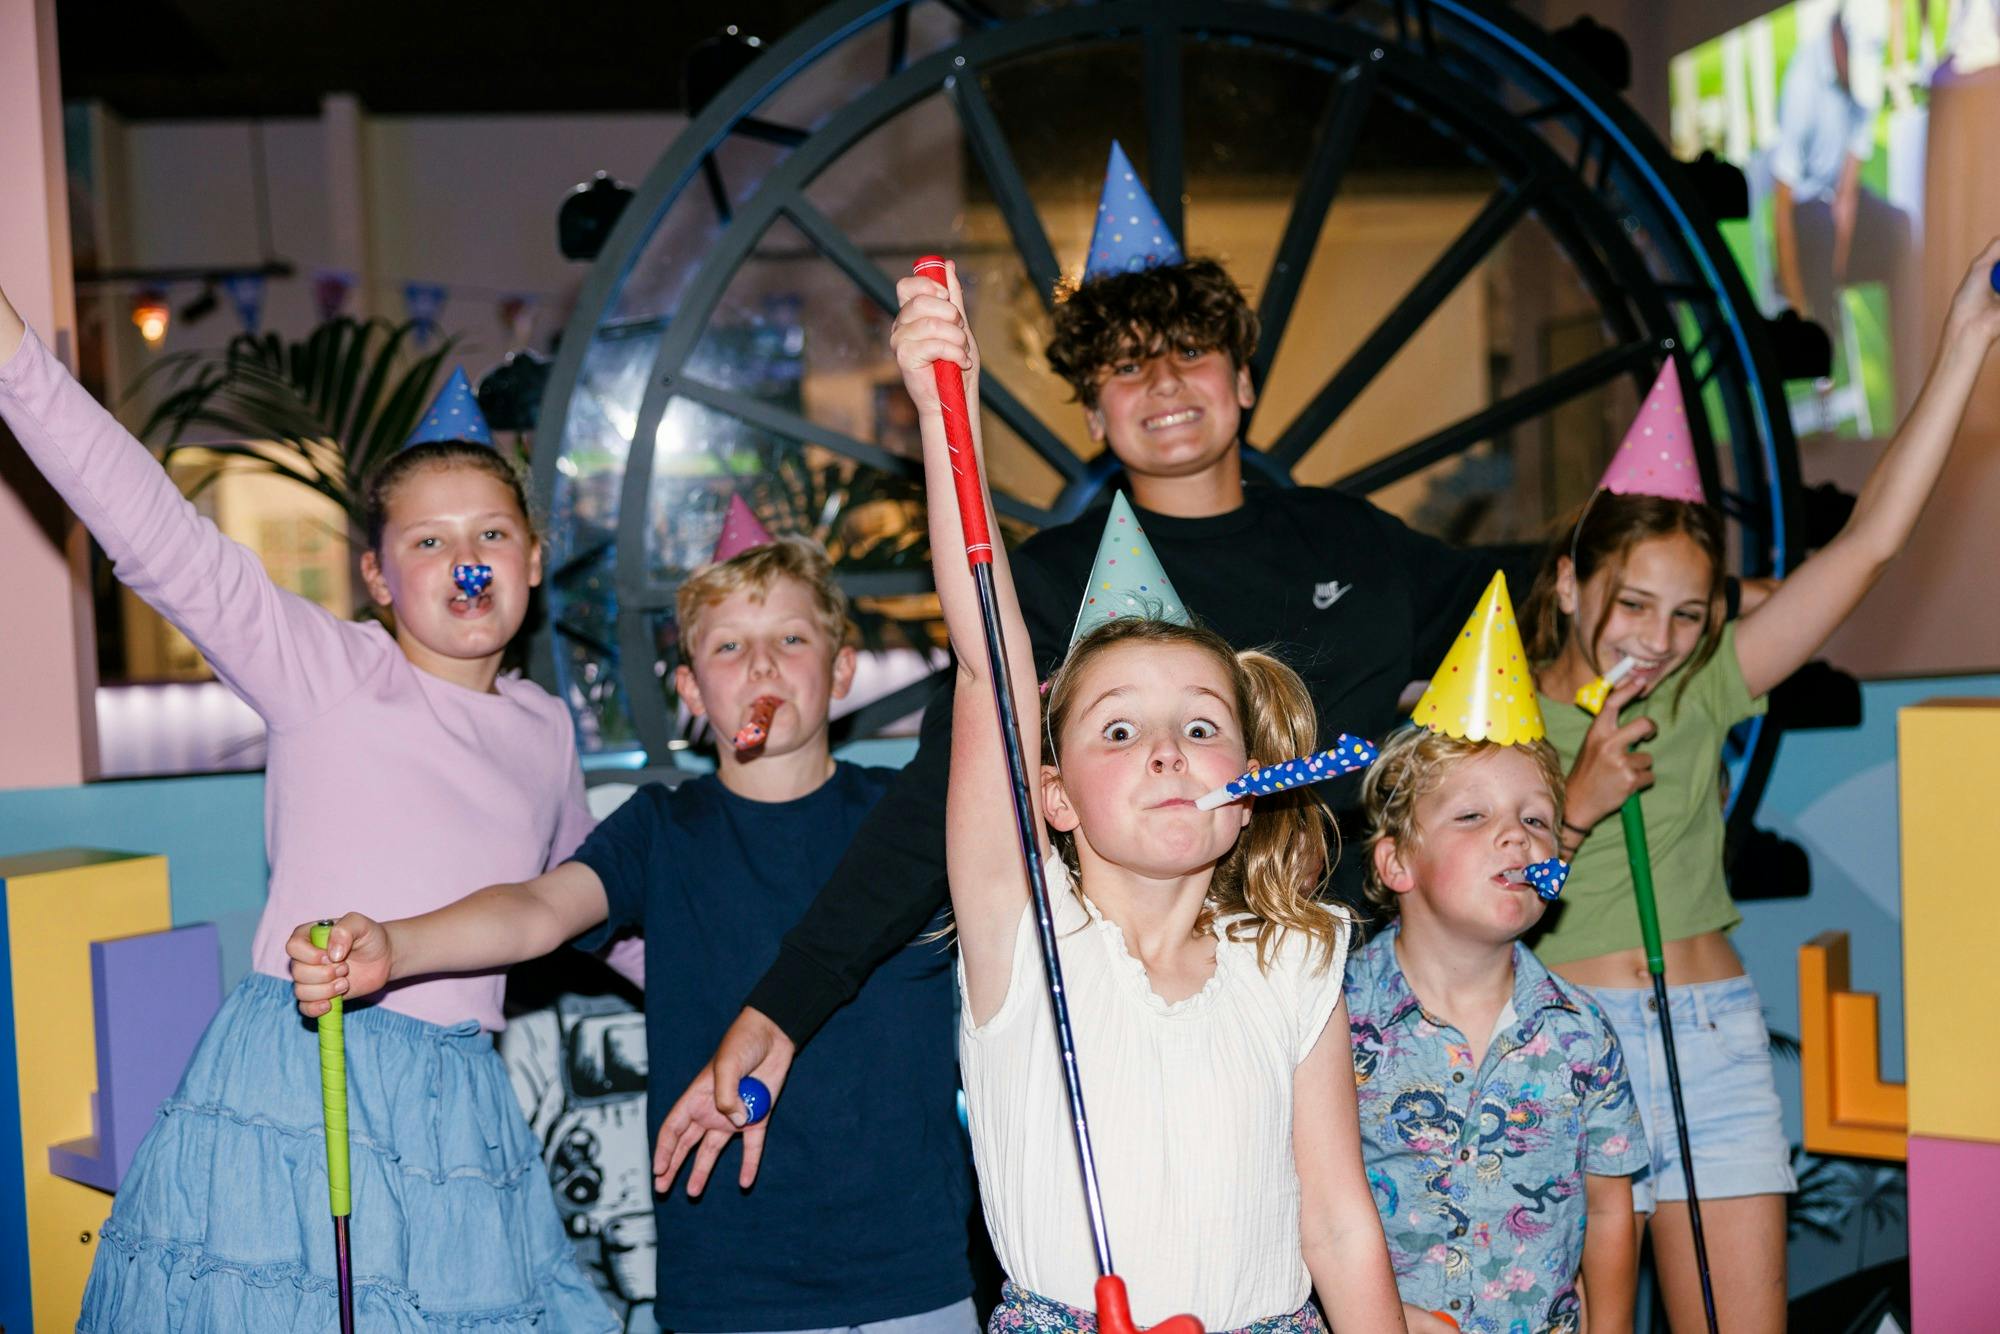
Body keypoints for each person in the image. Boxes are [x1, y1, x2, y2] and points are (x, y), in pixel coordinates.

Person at [660, 142, 1547, 1189]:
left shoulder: (1357, 548)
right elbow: (934, 813)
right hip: (1144, 1027)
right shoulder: (1041, 591)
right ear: (1090, 415)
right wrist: (786, 1001)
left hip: (1355, 1010)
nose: (1161, 381)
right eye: (1125, 364)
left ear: (1244, 377)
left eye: (1188, 351)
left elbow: (1547, 610)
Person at [0, 290, 614, 1329]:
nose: (464, 557)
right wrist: (16, 360)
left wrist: (759, 982)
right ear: (377, 577)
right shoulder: (329, 671)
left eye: (492, 531)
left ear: (533, 561)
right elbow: (161, 537)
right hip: (299, 1080)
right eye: (426, 541)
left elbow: (596, 895)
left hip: (458, 1109)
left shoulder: (545, 727)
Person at [291, 531, 976, 1334]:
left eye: (791, 638)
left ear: (843, 669)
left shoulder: (914, 819)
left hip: (917, 1267)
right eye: (730, 646)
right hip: (731, 1280)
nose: (762, 665)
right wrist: (398, 946)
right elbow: (538, 910)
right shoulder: (662, 829)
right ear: (690, 688)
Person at [896, 253, 1403, 1330]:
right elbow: (988, 651)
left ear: (1251, 778)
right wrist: (949, 409)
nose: (1168, 747)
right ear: (1053, 794)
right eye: (1117, 727)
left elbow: (1337, 1221)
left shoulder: (1297, 950)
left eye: (1202, 725)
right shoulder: (1021, 930)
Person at [1523, 240, 2000, 1332]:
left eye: (1686, 614)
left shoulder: (1701, 686)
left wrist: (1964, 339)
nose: (1655, 639)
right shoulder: (1493, 717)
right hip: (1563, 1045)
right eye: (1630, 604)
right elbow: (1458, 901)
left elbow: (1870, 542)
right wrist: (1579, 792)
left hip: (1711, 1036)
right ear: (1567, 580)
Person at [1346, 580, 1646, 1334]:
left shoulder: (1582, 1034)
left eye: (1538, 820)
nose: (1518, 837)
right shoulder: (1331, 1019)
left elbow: (1610, 1207)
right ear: (1395, 865)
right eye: (1474, 815)